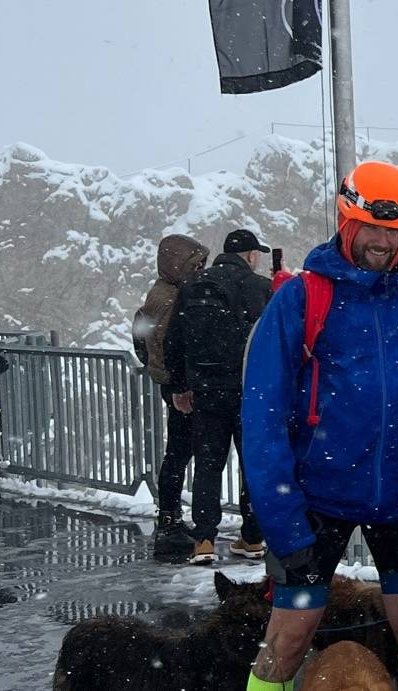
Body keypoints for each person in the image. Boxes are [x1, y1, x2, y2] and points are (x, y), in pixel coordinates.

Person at [240, 161, 398, 691]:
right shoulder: (301, 298)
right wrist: (281, 520)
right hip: (315, 498)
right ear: (346, 222)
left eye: (394, 232)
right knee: (290, 636)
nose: (383, 242)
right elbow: (263, 415)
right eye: (372, 228)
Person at [163, 228, 272, 564]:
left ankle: (205, 540)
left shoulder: (194, 285)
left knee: (209, 465)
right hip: (249, 392)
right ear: (251, 256)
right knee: (252, 464)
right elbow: (272, 342)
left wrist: (179, 387)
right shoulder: (261, 288)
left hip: (206, 392)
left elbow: (174, 338)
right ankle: (252, 538)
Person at [131, 233, 210, 561]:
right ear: (179, 264)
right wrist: (180, 385)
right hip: (180, 387)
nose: (201, 270)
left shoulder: (160, 292)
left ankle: (170, 520)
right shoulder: (170, 298)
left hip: (171, 383)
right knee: (179, 454)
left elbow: (142, 340)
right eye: (197, 264)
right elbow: (166, 344)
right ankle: (170, 523)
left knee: (178, 452)